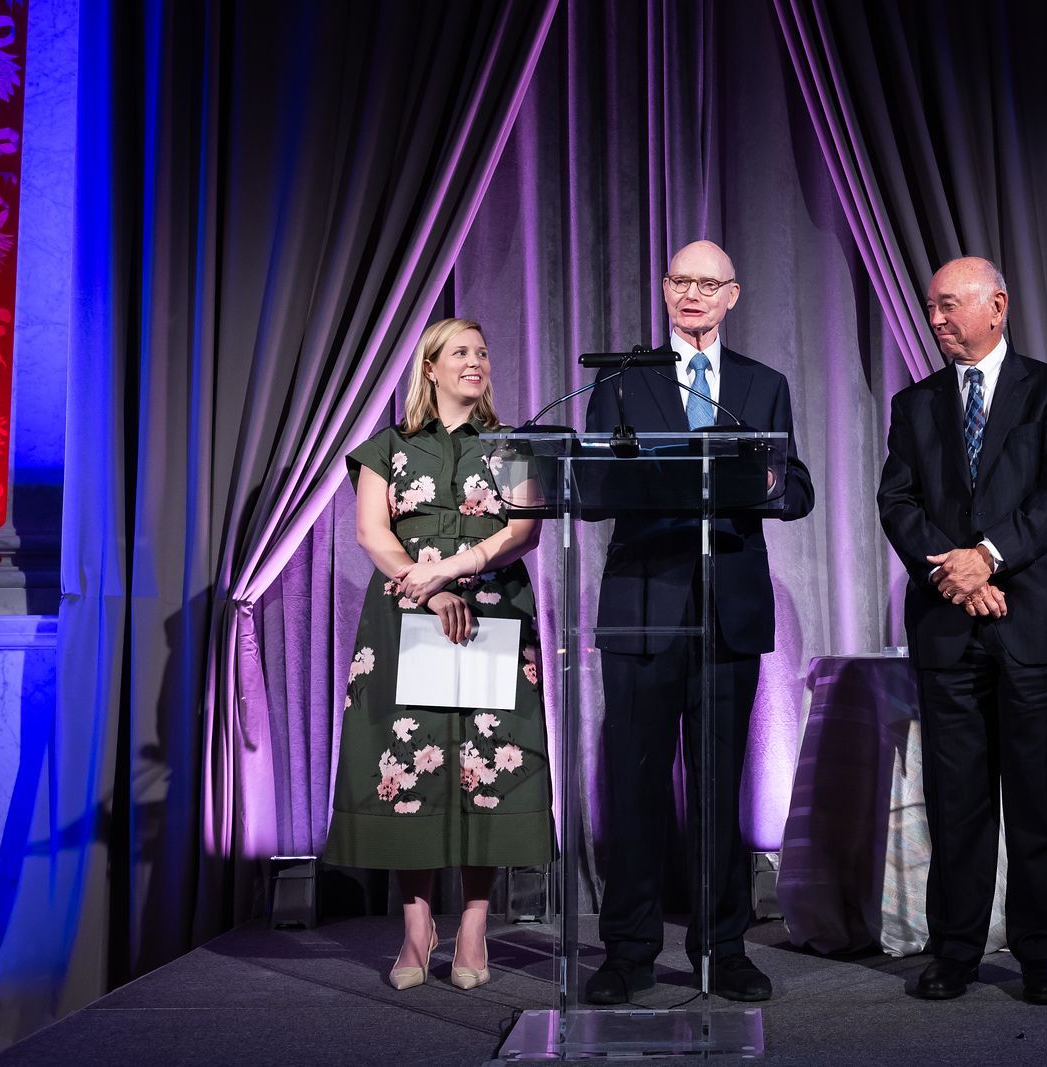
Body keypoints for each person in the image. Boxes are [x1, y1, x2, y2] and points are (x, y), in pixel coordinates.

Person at [582, 240, 814, 1003]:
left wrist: (769, 479)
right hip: (644, 608)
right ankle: (628, 950)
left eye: (707, 283)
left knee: (720, 788)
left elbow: (794, 481)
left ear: (732, 295)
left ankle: (722, 946)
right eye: (681, 280)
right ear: (664, 287)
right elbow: (592, 478)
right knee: (637, 784)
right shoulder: (623, 380)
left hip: (726, 613)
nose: (692, 293)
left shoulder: (761, 383)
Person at [877, 257, 1047, 1005]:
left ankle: (1041, 955)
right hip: (948, 626)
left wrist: (987, 558)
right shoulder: (915, 404)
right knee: (957, 803)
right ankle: (956, 950)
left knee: (1037, 800)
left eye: (947, 307)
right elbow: (897, 501)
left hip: (1034, 624)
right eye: (931, 309)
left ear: (995, 305)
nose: (935, 320)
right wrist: (955, 576)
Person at [323, 317, 551, 992]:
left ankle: (475, 927)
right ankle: (417, 927)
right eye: (461, 352)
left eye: (482, 351)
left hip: (494, 610)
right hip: (406, 612)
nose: (475, 361)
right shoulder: (387, 447)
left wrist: (458, 569)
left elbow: (524, 529)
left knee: (486, 763)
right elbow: (372, 532)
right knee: (410, 765)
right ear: (430, 367)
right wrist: (427, 590)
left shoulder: (511, 445)